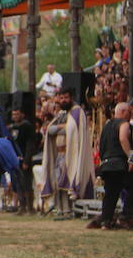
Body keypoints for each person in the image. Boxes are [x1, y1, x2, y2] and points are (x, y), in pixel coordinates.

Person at [42, 88, 95, 220]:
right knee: (59, 183)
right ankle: (62, 209)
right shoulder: (62, 114)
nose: (63, 100)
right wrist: (61, 127)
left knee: (68, 182)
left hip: (72, 155)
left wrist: (61, 128)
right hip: (60, 155)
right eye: (61, 98)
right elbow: (51, 130)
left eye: (66, 97)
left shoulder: (78, 112)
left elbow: (72, 129)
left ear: (71, 98)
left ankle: (71, 209)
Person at [93, 102, 133, 229]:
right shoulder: (124, 124)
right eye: (129, 112)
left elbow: (100, 145)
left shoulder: (106, 125)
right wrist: (131, 157)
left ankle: (105, 221)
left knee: (110, 194)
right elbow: (123, 138)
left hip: (106, 164)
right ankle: (125, 217)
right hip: (120, 164)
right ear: (124, 112)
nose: (130, 115)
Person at [9, 108, 37, 215]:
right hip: (15, 159)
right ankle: (22, 207)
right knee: (18, 184)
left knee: (26, 183)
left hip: (25, 158)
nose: (15, 116)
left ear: (22, 114)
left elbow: (30, 145)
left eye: (17, 114)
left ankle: (30, 207)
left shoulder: (27, 126)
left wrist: (26, 160)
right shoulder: (12, 128)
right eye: (13, 114)